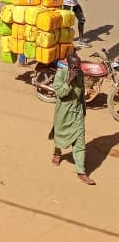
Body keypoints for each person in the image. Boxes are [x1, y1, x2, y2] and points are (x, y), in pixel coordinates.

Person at [50, 53, 95, 185]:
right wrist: (69, 80)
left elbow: (81, 92)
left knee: (80, 141)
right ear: (69, 66)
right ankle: (57, 153)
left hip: (77, 113)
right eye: (75, 67)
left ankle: (81, 172)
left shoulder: (80, 74)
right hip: (64, 111)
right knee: (59, 132)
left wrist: (83, 110)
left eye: (79, 66)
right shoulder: (61, 74)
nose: (78, 69)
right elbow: (60, 93)